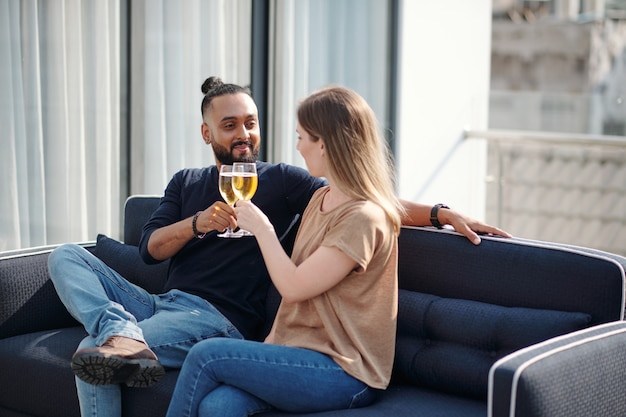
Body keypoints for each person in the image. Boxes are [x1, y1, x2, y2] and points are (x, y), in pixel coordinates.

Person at [48, 76, 509, 417]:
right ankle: (120, 329)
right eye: (230, 125)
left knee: (97, 350)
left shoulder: (286, 183)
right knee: (66, 258)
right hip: (161, 304)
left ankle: (118, 336)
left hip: (219, 321)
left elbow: (367, 199)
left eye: (252, 123)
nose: (246, 134)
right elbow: (149, 250)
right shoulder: (187, 182)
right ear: (208, 134)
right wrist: (199, 223)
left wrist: (440, 213)